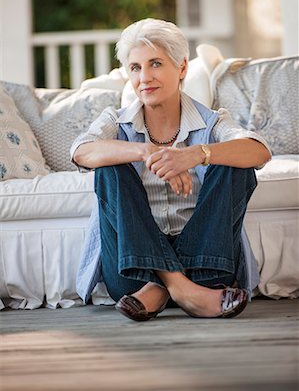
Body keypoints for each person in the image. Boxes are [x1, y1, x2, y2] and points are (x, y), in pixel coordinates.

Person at [71, 18, 271, 321]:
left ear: (181, 68)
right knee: (110, 166)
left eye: (155, 64)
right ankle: (181, 288)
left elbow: (258, 151)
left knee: (234, 163)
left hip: (208, 264)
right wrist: (146, 151)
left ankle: (162, 289)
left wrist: (196, 155)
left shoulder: (212, 121)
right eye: (136, 68)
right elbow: (81, 151)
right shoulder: (117, 121)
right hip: (134, 273)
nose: (145, 77)